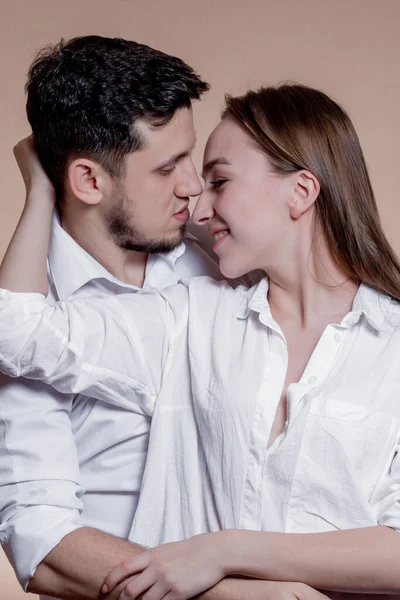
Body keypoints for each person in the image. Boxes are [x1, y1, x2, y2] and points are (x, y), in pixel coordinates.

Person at [2, 82, 400, 600]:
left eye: (220, 181)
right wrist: (42, 188)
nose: (197, 207)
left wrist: (224, 551)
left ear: (301, 191)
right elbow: (18, 332)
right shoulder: (191, 316)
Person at [0, 34, 251, 600]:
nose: (193, 186)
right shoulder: (29, 316)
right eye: (167, 168)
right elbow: (42, 543)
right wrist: (226, 591)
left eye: (191, 155)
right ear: (88, 180)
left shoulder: (222, 255)